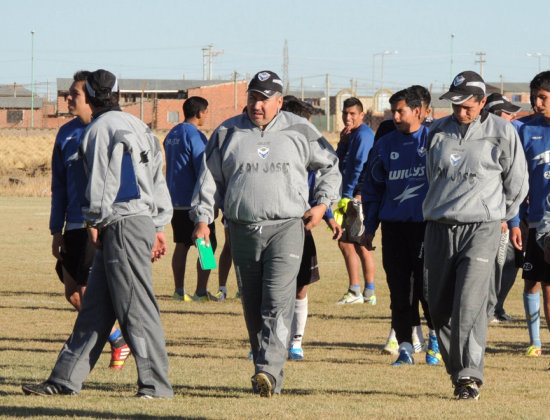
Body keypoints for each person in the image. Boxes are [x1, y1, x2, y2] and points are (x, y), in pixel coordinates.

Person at [22, 69, 174, 398]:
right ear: (119, 95)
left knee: (136, 307)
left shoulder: (96, 130)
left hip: (119, 223)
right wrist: (159, 224)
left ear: (90, 96)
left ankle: (155, 386)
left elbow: (101, 184)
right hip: (139, 219)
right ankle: (64, 380)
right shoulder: (140, 127)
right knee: (94, 310)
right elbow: (157, 179)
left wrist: (95, 221)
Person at [190, 70, 341, 397]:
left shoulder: (299, 128)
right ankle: (266, 366)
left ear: (279, 101)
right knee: (253, 305)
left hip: (287, 227)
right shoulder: (226, 132)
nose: (257, 105)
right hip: (241, 230)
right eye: (252, 97)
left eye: (264, 99)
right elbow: (209, 181)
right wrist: (203, 218)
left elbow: (330, 164)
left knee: (277, 299)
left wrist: (323, 204)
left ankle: (268, 370)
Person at [423, 70, 528, 400]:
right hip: (439, 228)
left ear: (482, 103)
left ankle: (470, 374)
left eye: (466, 105)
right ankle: (459, 372)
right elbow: (433, 177)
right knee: (437, 308)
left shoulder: (502, 131)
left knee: (469, 304)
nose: (459, 111)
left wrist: (500, 213)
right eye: (454, 104)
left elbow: (517, 181)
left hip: (481, 228)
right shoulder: (437, 132)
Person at [50, 70, 130, 370]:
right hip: (70, 225)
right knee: (71, 292)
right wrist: (55, 229)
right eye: (68, 93)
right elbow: (58, 184)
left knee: (86, 292)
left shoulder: (106, 130)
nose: (69, 98)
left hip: (94, 224)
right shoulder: (65, 133)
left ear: (91, 98)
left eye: (75, 94)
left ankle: (116, 342)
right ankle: (117, 336)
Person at [362, 87, 441, 367]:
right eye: (392, 111)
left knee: (426, 287)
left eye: (400, 111)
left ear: (418, 111)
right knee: (399, 290)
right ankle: (405, 346)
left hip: (426, 228)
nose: (394, 116)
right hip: (394, 229)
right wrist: (369, 227)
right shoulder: (384, 145)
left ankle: (435, 337)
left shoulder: (434, 141)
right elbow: (373, 189)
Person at [281, 96, 343, 360]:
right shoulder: (278, 145)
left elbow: (322, 183)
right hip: (274, 223)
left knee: (301, 284)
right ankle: (263, 341)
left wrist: (329, 217)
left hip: (302, 224)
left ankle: (296, 341)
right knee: (269, 286)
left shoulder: (310, 150)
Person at [164, 96, 217, 302]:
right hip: (194, 201)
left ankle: (179, 291)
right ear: (200, 113)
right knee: (207, 245)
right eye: (206, 112)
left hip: (174, 199)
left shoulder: (172, 133)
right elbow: (203, 170)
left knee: (182, 244)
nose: (206, 116)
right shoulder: (196, 136)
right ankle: (201, 292)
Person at [483, 93, 524, 323]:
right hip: (495, 216)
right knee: (492, 265)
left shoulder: (512, 135)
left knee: (510, 263)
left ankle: (496, 307)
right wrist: (505, 218)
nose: (513, 116)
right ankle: (489, 310)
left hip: (514, 215)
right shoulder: (487, 141)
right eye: (508, 113)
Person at [518, 71, 550, 358]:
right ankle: (535, 342)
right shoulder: (526, 131)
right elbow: (516, 178)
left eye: (543, 97)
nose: (537, 103)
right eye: (534, 98)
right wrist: (516, 217)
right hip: (537, 221)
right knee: (533, 281)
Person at [335, 97, 376, 305]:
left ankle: (356, 291)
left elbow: (359, 167)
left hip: (357, 195)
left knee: (347, 242)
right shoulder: (350, 136)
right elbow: (338, 162)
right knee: (359, 244)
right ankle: (369, 293)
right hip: (351, 194)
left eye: (352, 114)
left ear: (362, 115)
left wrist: (349, 195)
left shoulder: (364, 135)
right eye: (345, 113)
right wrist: (342, 144)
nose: (348, 117)